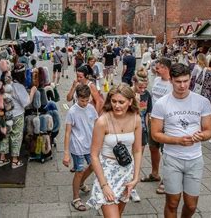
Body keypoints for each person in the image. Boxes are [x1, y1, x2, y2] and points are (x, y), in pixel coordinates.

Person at [151, 63, 211, 218]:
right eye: (178, 82)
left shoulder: (202, 102)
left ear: (190, 79)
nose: (183, 85)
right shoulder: (161, 104)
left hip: (195, 159)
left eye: (186, 81)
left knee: (191, 205)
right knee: (172, 202)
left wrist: (202, 136)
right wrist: (177, 140)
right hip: (172, 158)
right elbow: (155, 134)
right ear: (171, 80)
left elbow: (208, 131)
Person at [87, 84, 142, 217]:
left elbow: (137, 150)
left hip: (126, 172)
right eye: (114, 101)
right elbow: (94, 155)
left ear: (130, 102)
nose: (117, 105)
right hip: (106, 173)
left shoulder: (136, 119)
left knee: (119, 213)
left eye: (121, 102)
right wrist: (104, 185)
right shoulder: (102, 121)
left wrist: (135, 178)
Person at [63, 85, 98, 212]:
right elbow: (67, 132)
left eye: (86, 100)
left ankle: (81, 183)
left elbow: (96, 125)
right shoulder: (72, 111)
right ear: (77, 98)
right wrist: (66, 153)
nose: (84, 103)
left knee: (93, 166)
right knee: (79, 170)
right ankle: (76, 198)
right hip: (77, 147)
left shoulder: (91, 108)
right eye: (82, 100)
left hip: (90, 145)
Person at [141, 57, 173, 194]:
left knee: (166, 151)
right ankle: (155, 174)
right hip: (153, 119)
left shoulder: (172, 83)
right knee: (153, 147)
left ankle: (167, 180)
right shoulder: (156, 80)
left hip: (166, 122)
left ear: (165, 68)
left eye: (158, 67)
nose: (155, 69)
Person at [0, 64, 37, 169]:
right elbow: (26, 102)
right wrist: (32, 92)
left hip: (5, 114)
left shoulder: (7, 84)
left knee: (4, 135)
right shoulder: (19, 86)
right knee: (16, 136)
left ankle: (2, 158)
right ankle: (14, 161)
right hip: (17, 115)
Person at [130, 67, 152, 203]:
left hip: (141, 131)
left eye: (145, 87)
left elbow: (147, 114)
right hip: (127, 131)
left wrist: (147, 131)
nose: (142, 90)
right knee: (126, 160)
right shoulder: (127, 94)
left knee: (137, 161)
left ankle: (133, 188)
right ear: (134, 83)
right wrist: (135, 102)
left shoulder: (147, 95)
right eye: (140, 87)